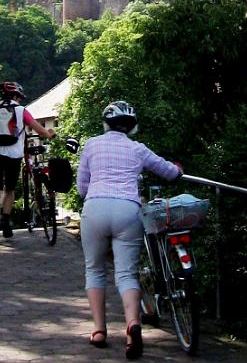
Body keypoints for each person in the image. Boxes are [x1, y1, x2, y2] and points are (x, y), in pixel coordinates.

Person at [76, 101, 183, 359]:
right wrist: (179, 169)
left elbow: (81, 186)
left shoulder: (91, 144)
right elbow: (170, 172)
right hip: (128, 210)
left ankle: (100, 331)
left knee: (95, 269)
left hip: (96, 208)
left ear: (106, 123)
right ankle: (133, 324)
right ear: (132, 126)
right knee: (126, 274)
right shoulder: (138, 149)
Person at [0, 81, 55, 244]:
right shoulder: (21, 111)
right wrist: (49, 134)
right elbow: (39, 130)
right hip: (14, 154)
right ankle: (5, 217)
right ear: (15, 96)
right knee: (9, 188)